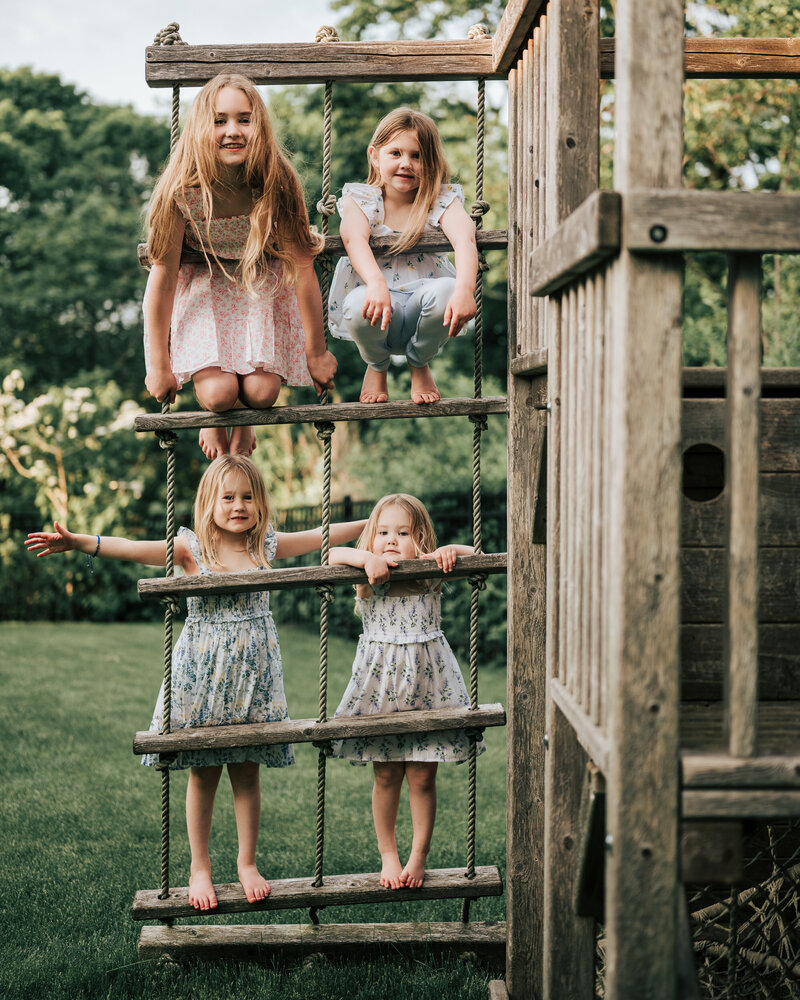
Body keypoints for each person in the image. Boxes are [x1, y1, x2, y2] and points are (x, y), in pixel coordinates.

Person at [26, 455, 365, 912]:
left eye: (247, 497)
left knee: (247, 772)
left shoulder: (264, 545)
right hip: (203, 676)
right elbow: (131, 546)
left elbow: (320, 538)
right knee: (203, 775)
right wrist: (81, 542)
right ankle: (199, 867)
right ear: (208, 502)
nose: (238, 506)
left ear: (260, 503)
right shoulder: (192, 549)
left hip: (253, 677)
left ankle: (247, 862)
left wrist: (373, 519)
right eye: (228, 497)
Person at [143, 73, 337, 459]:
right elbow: (162, 281)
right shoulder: (181, 190)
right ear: (201, 127)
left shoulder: (276, 181)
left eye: (244, 119)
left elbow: (301, 270)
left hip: (257, 288)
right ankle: (215, 416)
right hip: (206, 291)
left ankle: (244, 418)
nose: (233, 130)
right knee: (219, 394)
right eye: (220, 120)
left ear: (259, 125)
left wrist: (316, 353)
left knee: (262, 394)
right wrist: (158, 365)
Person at [327, 494, 484, 890]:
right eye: (382, 533)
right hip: (382, 693)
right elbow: (331, 554)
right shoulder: (368, 578)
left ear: (421, 538)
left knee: (422, 777)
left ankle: (418, 855)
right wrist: (366, 559)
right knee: (385, 775)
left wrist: (451, 551)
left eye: (402, 532)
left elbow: (479, 554)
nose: (391, 540)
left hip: (428, 690)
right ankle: (389, 854)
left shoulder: (430, 573)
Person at [328, 108, 479, 405]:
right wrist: (375, 283)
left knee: (449, 289)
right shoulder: (363, 199)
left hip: (423, 314)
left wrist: (465, 290)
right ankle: (376, 363)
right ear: (375, 156)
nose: (406, 164)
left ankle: (419, 360)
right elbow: (352, 237)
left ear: (430, 162)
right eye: (395, 153)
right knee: (357, 302)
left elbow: (465, 238)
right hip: (377, 307)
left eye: (417, 156)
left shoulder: (438, 201)